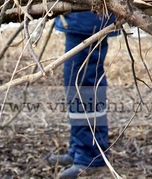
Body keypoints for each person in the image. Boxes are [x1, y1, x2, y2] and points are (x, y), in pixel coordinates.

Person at [45, 11, 114, 178]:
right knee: (76, 88)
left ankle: (89, 156)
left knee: (84, 87)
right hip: (80, 22)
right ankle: (78, 150)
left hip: (87, 22)